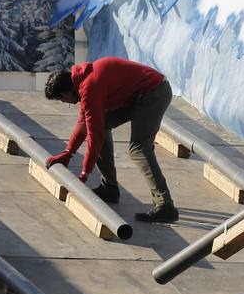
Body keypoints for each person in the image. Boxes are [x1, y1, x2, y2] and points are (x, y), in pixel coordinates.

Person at [43, 57, 178, 223]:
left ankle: (165, 206)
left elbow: (95, 134)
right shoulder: (82, 82)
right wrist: (68, 152)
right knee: (104, 123)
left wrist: (85, 173)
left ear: (64, 93)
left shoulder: (90, 87)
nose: (65, 103)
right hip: (139, 95)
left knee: (139, 149)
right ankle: (110, 188)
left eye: (62, 100)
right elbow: (83, 123)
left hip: (154, 92)